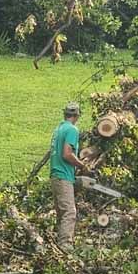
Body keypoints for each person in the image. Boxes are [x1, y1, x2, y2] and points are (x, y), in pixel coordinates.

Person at [50, 101, 88, 251]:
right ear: (77, 116)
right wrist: (82, 165)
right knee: (69, 212)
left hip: (55, 174)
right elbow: (67, 154)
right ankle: (65, 245)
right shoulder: (72, 130)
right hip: (63, 175)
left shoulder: (58, 129)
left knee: (61, 212)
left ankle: (56, 244)